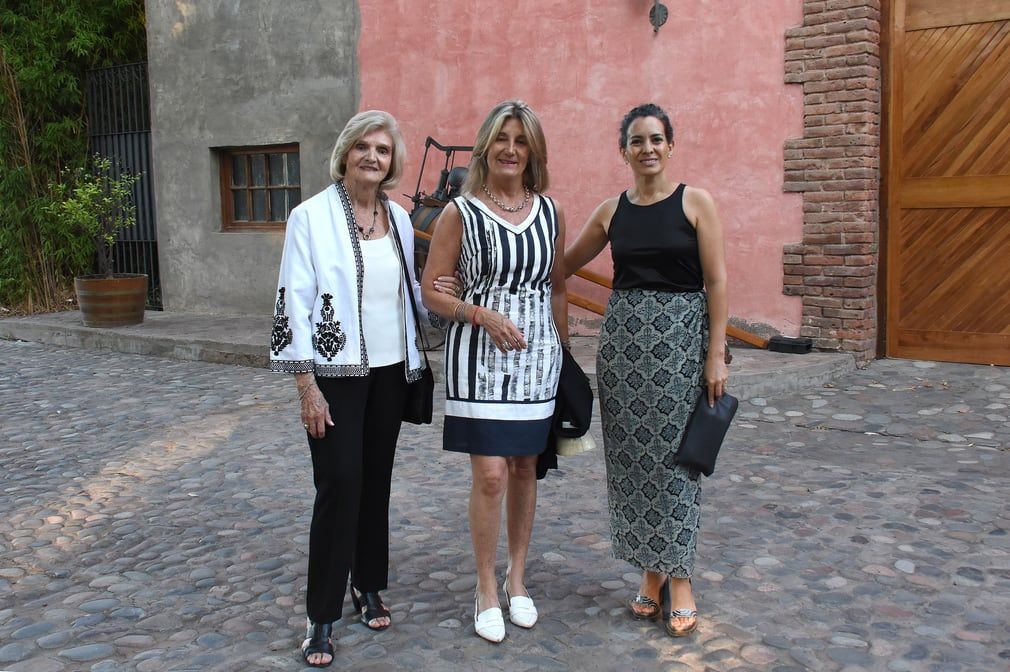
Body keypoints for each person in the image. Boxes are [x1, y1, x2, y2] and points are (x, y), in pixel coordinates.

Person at [269, 109, 459, 667]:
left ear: (391, 162)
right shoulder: (310, 218)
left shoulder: (399, 219)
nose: (372, 157)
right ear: (345, 154)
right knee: (338, 484)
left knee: (375, 481)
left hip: (390, 372)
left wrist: (449, 296)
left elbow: (410, 297)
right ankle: (320, 615)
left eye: (381, 150)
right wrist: (307, 387)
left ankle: (367, 582)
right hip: (334, 376)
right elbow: (292, 304)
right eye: (363, 148)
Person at [564, 103, 729, 638]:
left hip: (682, 344)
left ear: (671, 145)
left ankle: (679, 577)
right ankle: (651, 571)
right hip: (625, 349)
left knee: (678, 462)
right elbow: (558, 266)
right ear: (624, 151)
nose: (648, 148)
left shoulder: (695, 202)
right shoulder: (612, 211)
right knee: (634, 464)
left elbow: (718, 282)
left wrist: (715, 353)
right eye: (637, 141)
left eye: (656, 139)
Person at [421, 100, 568, 644]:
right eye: (502, 139)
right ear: (486, 147)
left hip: (537, 359)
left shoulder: (549, 211)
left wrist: (565, 356)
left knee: (526, 467)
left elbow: (555, 286)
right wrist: (480, 314)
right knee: (490, 474)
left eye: (521, 140)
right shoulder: (461, 212)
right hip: (479, 358)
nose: (510, 149)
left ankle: (518, 578)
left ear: (533, 151)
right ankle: (485, 584)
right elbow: (432, 290)